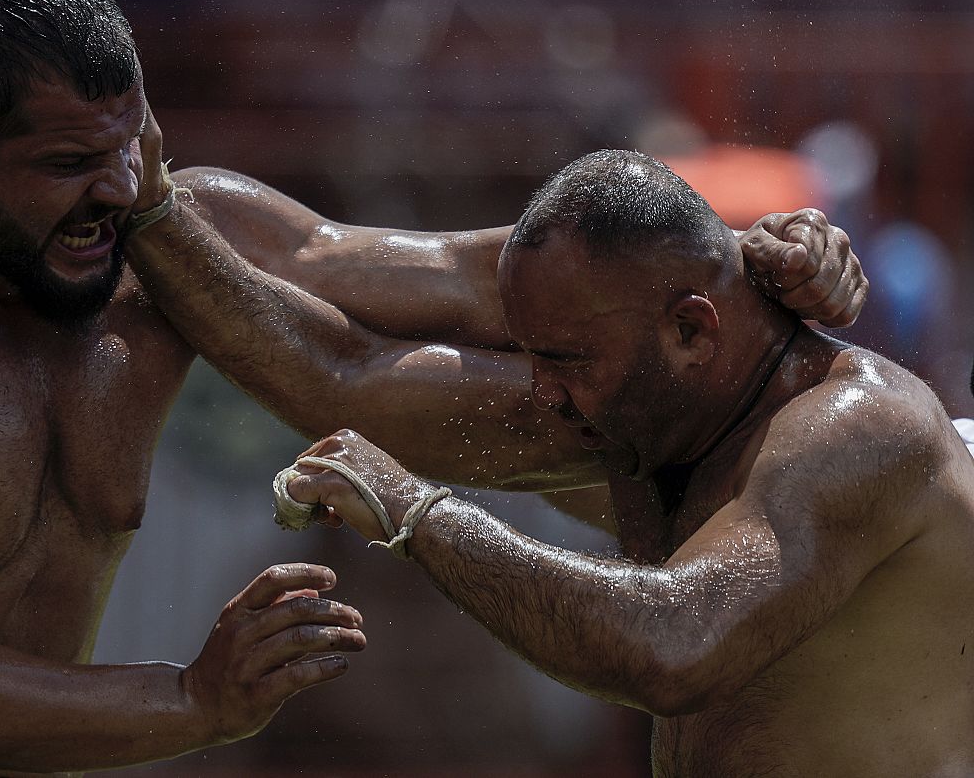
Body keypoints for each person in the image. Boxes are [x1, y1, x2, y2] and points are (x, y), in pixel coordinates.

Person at [0, 0, 865, 777]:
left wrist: (739, 276)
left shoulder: (150, 224)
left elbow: (477, 279)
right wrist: (192, 700)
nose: (116, 192)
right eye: (65, 165)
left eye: (131, 148)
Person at [219, 151, 971, 776]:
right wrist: (162, 213)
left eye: (567, 360)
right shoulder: (660, 423)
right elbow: (340, 370)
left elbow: (673, 646)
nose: (543, 391)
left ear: (692, 330)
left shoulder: (865, 429)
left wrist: (420, 514)